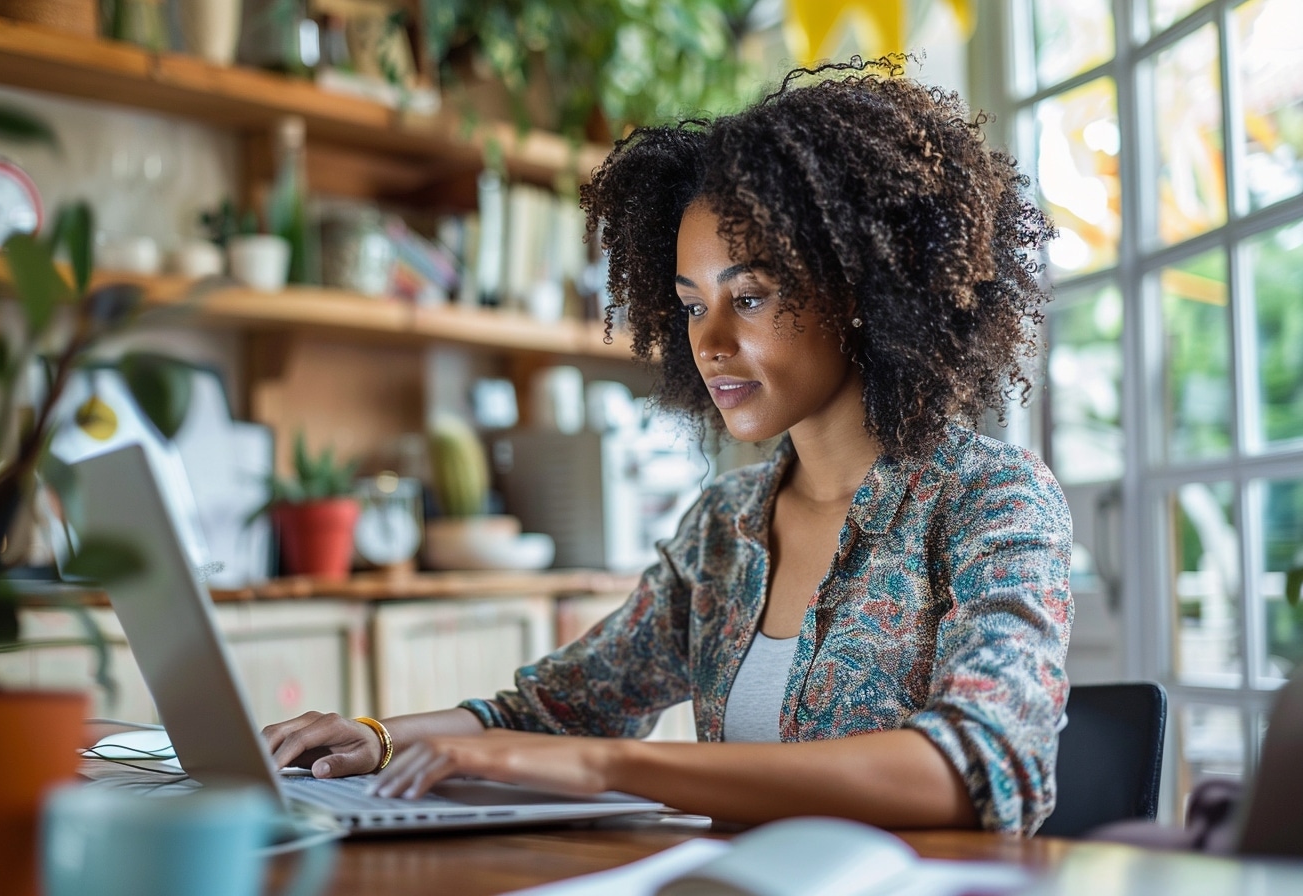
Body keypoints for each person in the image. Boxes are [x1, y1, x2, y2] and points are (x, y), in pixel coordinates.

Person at [264, 55, 1072, 836]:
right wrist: (376, 738)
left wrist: (612, 768)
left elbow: (975, 766)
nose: (709, 342)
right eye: (690, 307)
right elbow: (554, 711)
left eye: (748, 297)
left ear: (859, 291)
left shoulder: (990, 499)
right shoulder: (725, 527)